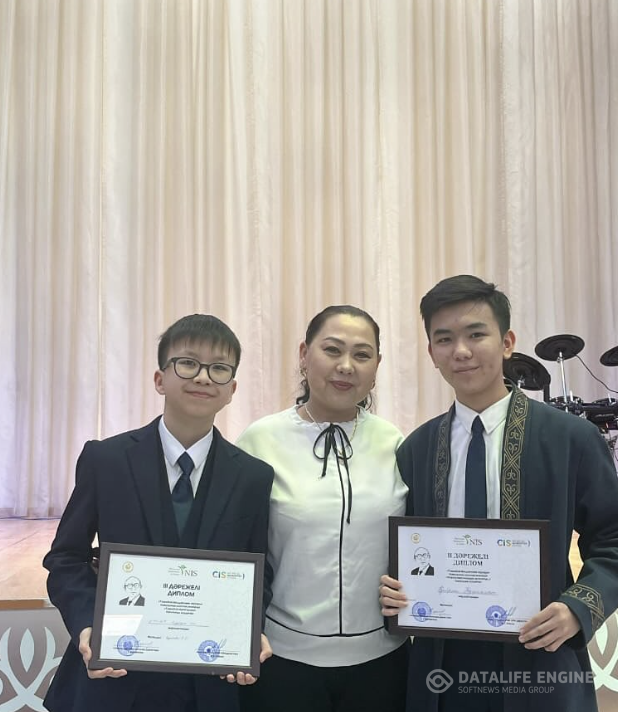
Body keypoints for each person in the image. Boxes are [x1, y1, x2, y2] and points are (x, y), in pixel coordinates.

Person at [380, 275, 618, 712]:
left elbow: (613, 536)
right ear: (431, 353)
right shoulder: (416, 449)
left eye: (476, 334)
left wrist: (577, 609)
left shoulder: (570, 438)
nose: (461, 351)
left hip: (540, 655)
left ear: (507, 342)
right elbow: (404, 549)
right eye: (444, 339)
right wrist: (394, 588)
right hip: (441, 662)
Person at [43, 314, 274, 712]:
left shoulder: (253, 476)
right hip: (114, 678)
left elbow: (259, 569)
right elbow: (66, 558)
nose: (203, 377)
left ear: (232, 389)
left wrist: (248, 629)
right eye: (188, 363)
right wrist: (87, 624)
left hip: (207, 683)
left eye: (219, 368)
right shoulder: (105, 460)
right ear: (159, 379)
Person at [236, 305, 410, 712]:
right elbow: (236, 546)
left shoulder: (395, 443)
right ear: (304, 354)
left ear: (377, 366)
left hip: (383, 660)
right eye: (332, 350)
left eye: (362, 355)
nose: (346, 366)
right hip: (280, 660)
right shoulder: (260, 441)